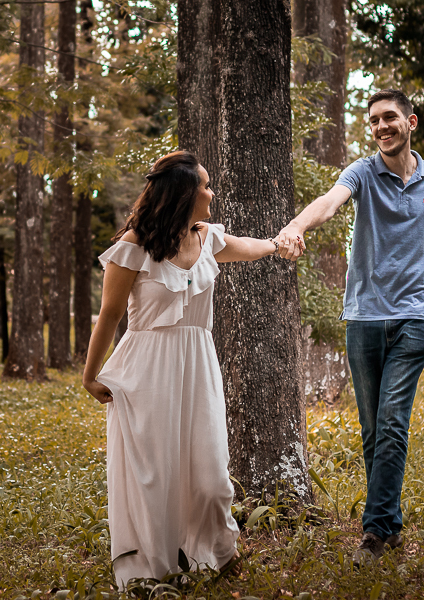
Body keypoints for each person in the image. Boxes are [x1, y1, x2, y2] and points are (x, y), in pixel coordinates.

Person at [274, 89, 424, 565]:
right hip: (363, 317)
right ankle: (391, 521)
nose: (382, 127)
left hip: (412, 319)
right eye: (374, 121)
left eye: (390, 118)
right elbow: (329, 201)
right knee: (372, 430)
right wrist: (296, 227)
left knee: (391, 423)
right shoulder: (362, 172)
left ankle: (374, 534)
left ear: (411, 121)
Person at [82, 150, 284, 589]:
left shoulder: (207, 237)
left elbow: (248, 248)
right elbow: (109, 315)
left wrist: (278, 243)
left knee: (210, 473)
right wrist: (89, 374)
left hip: (198, 364)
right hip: (148, 370)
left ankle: (217, 551)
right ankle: (155, 573)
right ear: (183, 194)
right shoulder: (133, 247)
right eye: (205, 186)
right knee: (156, 475)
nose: (211, 193)